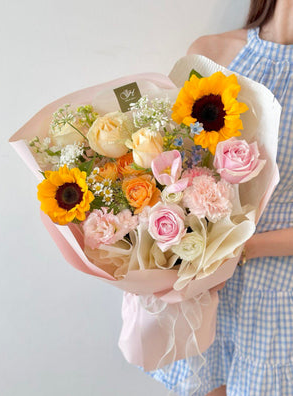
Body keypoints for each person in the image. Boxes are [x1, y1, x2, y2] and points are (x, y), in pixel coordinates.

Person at [150, 0, 293, 394]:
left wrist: (235, 253)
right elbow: (169, 163)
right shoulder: (211, 54)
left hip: (277, 290)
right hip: (199, 280)